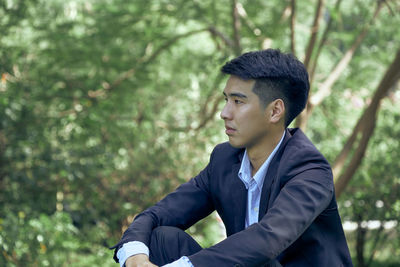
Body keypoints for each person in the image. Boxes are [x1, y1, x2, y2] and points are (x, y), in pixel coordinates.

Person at [111, 49, 353, 267]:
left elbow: (267, 239)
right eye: (226, 100)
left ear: (275, 111)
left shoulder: (310, 170)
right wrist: (134, 257)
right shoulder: (224, 160)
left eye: (238, 101)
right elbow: (157, 214)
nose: (224, 113)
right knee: (158, 238)